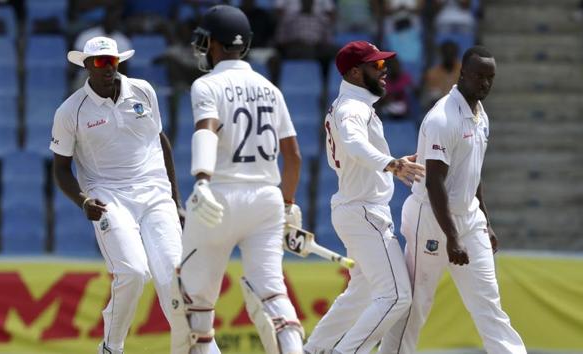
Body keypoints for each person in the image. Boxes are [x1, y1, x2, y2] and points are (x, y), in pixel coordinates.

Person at [171, 5, 304, 354]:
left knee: (196, 305)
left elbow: (207, 130)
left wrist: (201, 180)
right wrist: (288, 204)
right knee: (273, 294)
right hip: (266, 200)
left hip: (219, 196)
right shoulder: (271, 88)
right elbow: (293, 156)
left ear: (213, 43)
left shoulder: (207, 84)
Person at [379, 46, 527, 354]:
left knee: (488, 304)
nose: (486, 83)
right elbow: (435, 183)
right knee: (417, 303)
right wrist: (452, 238)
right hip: (430, 220)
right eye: (479, 76)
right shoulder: (443, 118)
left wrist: (485, 220)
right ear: (463, 75)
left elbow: (472, 174)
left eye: (491, 78)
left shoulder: (480, 114)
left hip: (469, 219)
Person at [50, 36, 184, 354]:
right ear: (86, 66)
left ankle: (192, 345)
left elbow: (160, 142)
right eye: (100, 62)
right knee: (134, 272)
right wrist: (82, 200)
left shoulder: (143, 91)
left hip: (155, 193)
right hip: (109, 196)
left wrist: (176, 201)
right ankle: (112, 347)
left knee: (174, 278)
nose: (108, 68)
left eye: (112, 61)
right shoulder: (71, 111)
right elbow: (60, 169)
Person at [304, 41, 425, 354]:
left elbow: (355, 151)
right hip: (363, 212)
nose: (385, 72)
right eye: (378, 66)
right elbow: (354, 144)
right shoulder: (352, 108)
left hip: (355, 207)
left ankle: (314, 349)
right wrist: (391, 164)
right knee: (396, 296)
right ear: (356, 72)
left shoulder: (350, 105)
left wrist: (393, 160)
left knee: (361, 292)